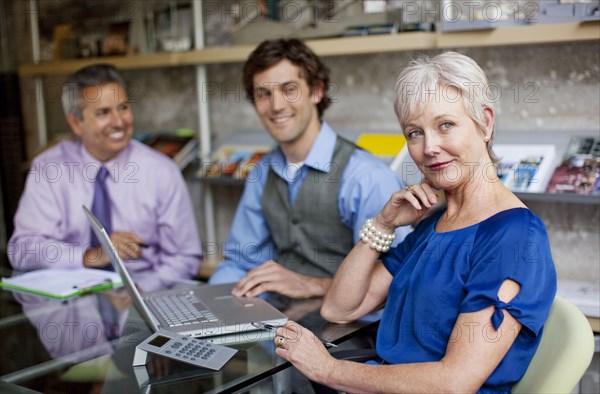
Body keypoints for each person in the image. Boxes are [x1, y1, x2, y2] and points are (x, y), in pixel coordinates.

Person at [271, 51, 557, 393]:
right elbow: (340, 307)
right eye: (414, 133)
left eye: (445, 125)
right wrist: (382, 224)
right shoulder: (434, 224)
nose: (429, 147)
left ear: (485, 122)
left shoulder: (514, 236)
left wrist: (328, 369)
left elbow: (455, 382)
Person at [209, 39, 411, 299]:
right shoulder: (262, 172)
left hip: (349, 331)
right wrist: (207, 310)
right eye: (263, 94)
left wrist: (313, 285)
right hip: (279, 322)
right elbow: (240, 263)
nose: (277, 105)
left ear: (316, 91)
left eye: (289, 89)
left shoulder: (366, 177)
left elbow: (398, 279)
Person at [8, 64, 202, 292]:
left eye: (123, 108)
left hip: (143, 298)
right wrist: (93, 256)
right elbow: (22, 250)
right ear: (75, 123)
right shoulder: (49, 168)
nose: (119, 122)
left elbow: (185, 257)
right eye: (103, 112)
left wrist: (140, 291)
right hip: (70, 307)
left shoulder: (161, 171)